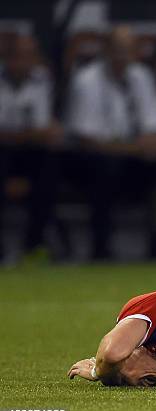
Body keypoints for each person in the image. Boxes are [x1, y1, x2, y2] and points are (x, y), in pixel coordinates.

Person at [66, 26, 156, 259]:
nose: (121, 56)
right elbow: (87, 140)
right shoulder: (87, 80)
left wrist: (152, 143)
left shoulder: (141, 76)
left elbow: (153, 126)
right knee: (103, 166)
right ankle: (101, 250)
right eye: (116, 49)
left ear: (135, 52)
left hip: (133, 160)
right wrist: (135, 147)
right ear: (105, 50)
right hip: (94, 162)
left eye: (127, 50)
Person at [0, 34, 64, 262]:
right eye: (17, 56)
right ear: (7, 58)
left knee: (48, 169)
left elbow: (44, 129)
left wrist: (21, 134)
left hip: (31, 155)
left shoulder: (42, 79)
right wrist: (28, 133)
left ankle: (34, 246)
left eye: (29, 56)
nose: (23, 62)